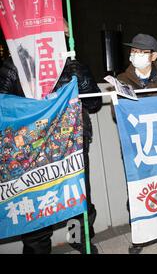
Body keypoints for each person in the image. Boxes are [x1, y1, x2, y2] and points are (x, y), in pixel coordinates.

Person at [0, 46, 102, 254]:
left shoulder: (70, 64)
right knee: (36, 204)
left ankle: (80, 242)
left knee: (77, 198)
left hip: (72, 144)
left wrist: (82, 77)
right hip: (30, 150)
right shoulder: (14, 64)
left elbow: (94, 103)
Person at [116, 33, 157, 254]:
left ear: (154, 56)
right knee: (136, 190)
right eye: (134, 52)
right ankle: (139, 235)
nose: (137, 56)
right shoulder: (121, 80)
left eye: (143, 52)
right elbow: (118, 115)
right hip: (134, 145)